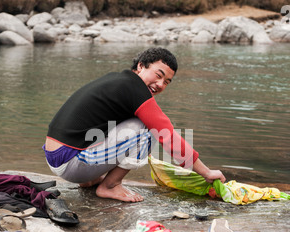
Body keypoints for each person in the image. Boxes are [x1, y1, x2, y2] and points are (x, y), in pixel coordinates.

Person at [43, 47, 226, 203]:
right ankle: (110, 186)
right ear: (140, 66)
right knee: (147, 130)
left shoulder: (121, 80)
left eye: (166, 82)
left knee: (137, 122)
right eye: (158, 75)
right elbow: (167, 136)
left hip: (58, 156)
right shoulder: (135, 90)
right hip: (70, 162)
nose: (160, 84)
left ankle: (90, 180)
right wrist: (206, 173)